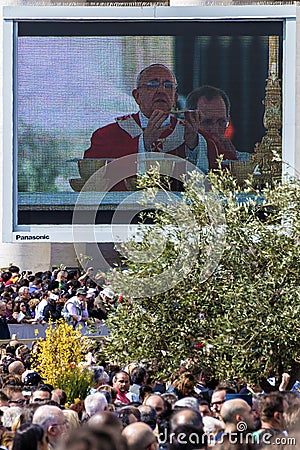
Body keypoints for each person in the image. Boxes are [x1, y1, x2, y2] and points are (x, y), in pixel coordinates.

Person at [83, 63, 216, 178]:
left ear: (175, 98)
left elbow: (223, 169)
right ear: (137, 96)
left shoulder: (193, 134)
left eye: (168, 85)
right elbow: (94, 177)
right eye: (153, 84)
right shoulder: (107, 136)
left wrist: (193, 146)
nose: (161, 90)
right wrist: (143, 142)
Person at [186, 85, 250, 166]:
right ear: (191, 122)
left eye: (221, 122)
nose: (215, 130)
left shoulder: (243, 160)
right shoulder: (177, 156)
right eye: (207, 122)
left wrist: (234, 163)